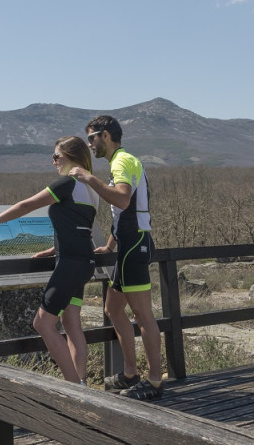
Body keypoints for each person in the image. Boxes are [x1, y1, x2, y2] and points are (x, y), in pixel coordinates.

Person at [0, 135, 97, 383]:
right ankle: (82, 386)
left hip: (70, 264)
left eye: (56, 157)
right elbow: (80, 229)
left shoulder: (66, 184)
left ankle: (73, 386)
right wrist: (54, 248)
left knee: (43, 324)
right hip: (84, 262)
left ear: (71, 157)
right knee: (71, 323)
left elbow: (26, 205)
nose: (53, 162)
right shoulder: (91, 189)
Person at [69, 114, 163, 400]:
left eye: (91, 138)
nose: (89, 144)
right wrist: (110, 245)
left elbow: (122, 199)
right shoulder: (122, 162)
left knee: (143, 316)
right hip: (129, 244)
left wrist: (88, 178)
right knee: (113, 309)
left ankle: (156, 381)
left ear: (105, 135)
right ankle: (131, 373)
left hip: (135, 245)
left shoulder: (122, 161)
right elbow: (126, 209)